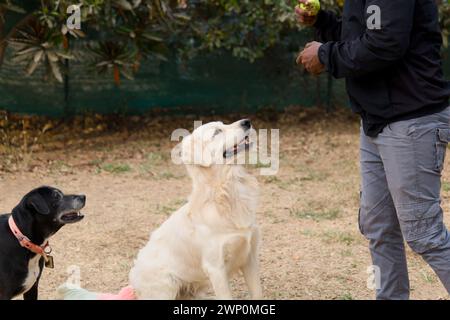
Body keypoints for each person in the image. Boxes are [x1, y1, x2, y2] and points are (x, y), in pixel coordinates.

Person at [296, 0, 450, 299]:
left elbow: (386, 43)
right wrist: (323, 22)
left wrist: (325, 55)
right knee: (378, 226)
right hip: (377, 119)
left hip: (411, 118)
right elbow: (363, 35)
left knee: (424, 233)